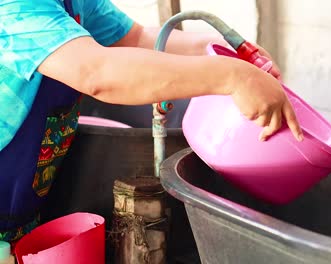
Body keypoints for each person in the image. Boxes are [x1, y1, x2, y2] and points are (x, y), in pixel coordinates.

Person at [0, 0, 303, 243]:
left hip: (19, 216)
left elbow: (136, 39)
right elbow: (97, 73)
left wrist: (224, 54)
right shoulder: (16, 6)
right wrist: (232, 77)